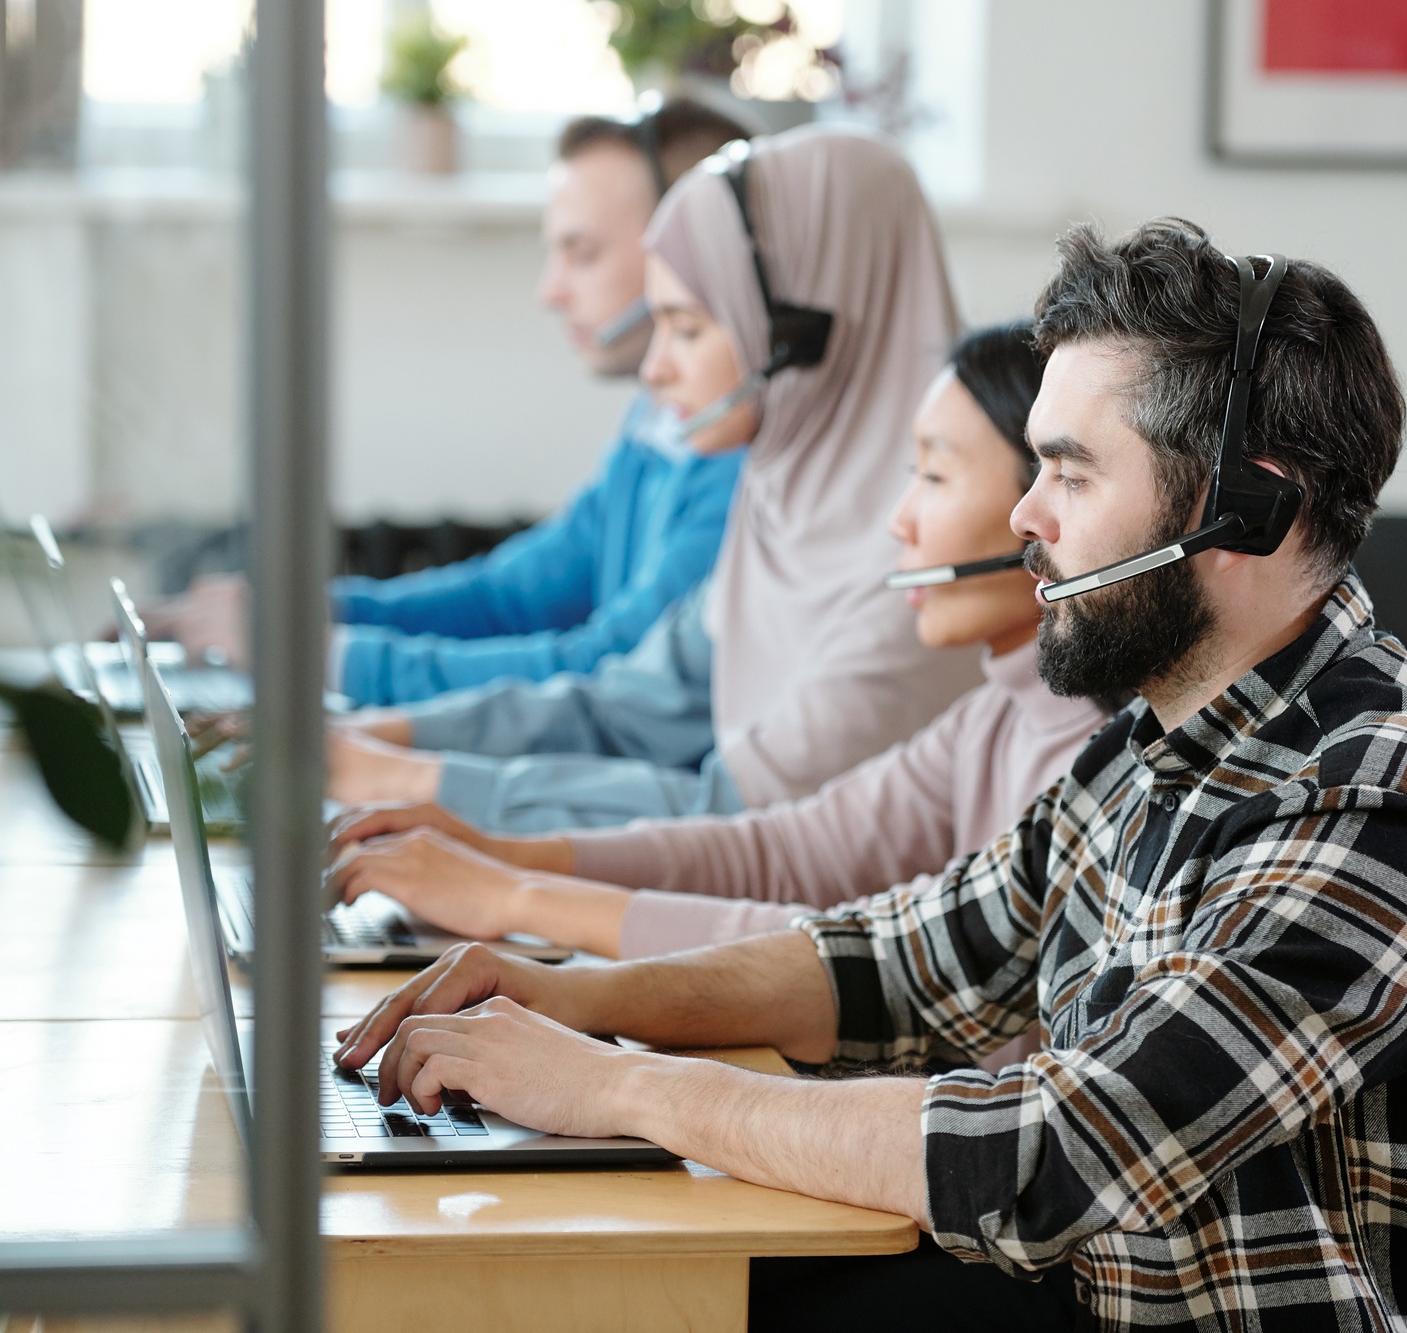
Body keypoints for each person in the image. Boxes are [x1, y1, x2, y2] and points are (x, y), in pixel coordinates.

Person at [329, 220, 1407, 1331]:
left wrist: (614, 1086)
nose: (1024, 519)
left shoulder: (1370, 800)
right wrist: (579, 1000)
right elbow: (894, 960)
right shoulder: (1161, 737)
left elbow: (1053, 1153)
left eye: (1070, 471)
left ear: (1243, 513)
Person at [323, 322, 1108, 965]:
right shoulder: (993, 718)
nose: (896, 522)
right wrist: (505, 858)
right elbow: (779, 852)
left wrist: (519, 895)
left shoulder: (1091, 758)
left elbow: (898, 959)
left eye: (933, 477)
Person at [323, 128, 985, 833]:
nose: (653, 369)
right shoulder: (780, 514)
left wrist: (420, 780)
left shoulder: (920, 564)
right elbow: (622, 706)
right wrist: (383, 738)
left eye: (689, 329)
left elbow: (745, 823)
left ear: (796, 337)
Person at [144, 98, 751, 704]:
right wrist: (298, 616)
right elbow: (509, 597)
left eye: (582, 253)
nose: (550, 291)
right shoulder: (658, 425)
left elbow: (612, 671)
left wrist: (320, 657)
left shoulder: (737, 461)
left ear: (692, 257)